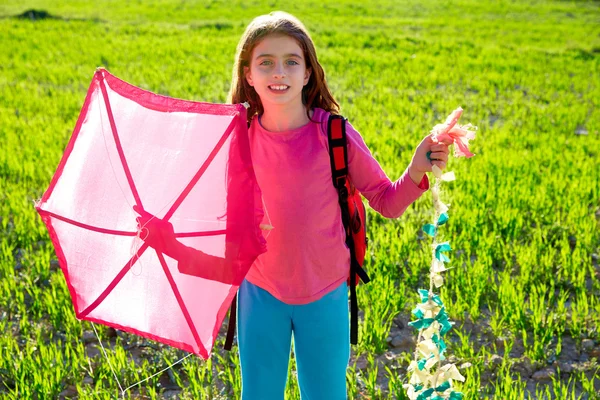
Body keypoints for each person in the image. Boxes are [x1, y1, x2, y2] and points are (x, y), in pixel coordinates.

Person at [137, 10, 451, 400]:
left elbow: (386, 201)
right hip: (260, 293)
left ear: (307, 73)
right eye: (265, 62)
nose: (278, 72)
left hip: (326, 294)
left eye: (291, 61)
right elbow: (216, 234)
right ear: (248, 74)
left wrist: (418, 167)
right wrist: (168, 242)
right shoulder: (237, 142)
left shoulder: (334, 135)